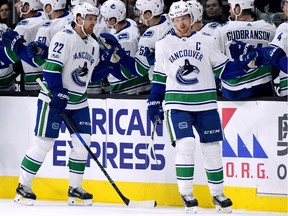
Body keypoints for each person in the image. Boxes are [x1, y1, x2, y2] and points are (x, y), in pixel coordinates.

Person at [147, 0, 257, 213]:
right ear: (172, 21)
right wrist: (153, 100)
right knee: (186, 145)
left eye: (185, 18)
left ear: (192, 18)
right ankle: (187, 194)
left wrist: (245, 63)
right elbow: (160, 78)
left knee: (212, 149)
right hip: (177, 104)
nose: (181, 23)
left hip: (206, 104)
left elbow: (225, 70)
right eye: (177, 20)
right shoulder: (163, 45)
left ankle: (218, 194)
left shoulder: (206, 41)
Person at [11, 2, 117, 206]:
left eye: (95, 19)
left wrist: (109, 65)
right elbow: (51, 69)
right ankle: (23, 187)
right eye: (89, 18)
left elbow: (91, 77)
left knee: (82, 143)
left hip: (79, 102)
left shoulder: (93, 44)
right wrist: (58, 92)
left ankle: (75, 188)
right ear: (78, 19)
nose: (93, 23)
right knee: (43, 144)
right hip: (53, 99)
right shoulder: (64, 37)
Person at [213, 0, 277, 99]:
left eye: (231, 7)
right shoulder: (270, 27)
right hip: (263, 85)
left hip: (234, 90)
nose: (229, 10)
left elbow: (215, 62)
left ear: (238, 8)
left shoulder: (223, 29)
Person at [100, 0, 175, 81]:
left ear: (148, 14)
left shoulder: (148, 39)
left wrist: (121, 56)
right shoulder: (172, 18)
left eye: (140, 12)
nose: (138, 15)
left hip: (162, 81)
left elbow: (138, 70)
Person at [100, 0, 150, 94]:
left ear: (113, 20)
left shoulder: (125, 40)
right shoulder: (129, 22)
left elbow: (126, 72)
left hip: (128, 89)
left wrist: (106, 58)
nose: (103, 21)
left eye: (105, 18)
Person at [13, 0, 48, 91]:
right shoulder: (45, 16)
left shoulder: (22, 27)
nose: (16, 6)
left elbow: (12, 53)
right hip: (50, 73)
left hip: (33, 78)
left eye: (19, 3)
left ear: (26, 7)